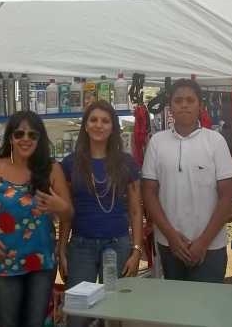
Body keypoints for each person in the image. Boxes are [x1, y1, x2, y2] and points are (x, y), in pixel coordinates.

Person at [0, 110, 73, 327]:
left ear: (40, 139)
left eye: (32, 135)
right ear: (10, 138)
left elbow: (68, 215)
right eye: (19, 134)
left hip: (42, 262)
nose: (25, 139)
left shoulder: (51, 170)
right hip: (3, 261)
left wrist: (60, 207)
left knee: (35, 323)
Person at [141, 78, 232, 283]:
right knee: (176, 301)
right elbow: (148, 193)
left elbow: (228, 196)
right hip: (170, 245)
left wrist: (203, 242)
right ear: (170, 107)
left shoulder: (215, 141)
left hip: (210, 247)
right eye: (178, 101)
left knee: (208, 302)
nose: (184, 105)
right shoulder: (157, 142)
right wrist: (171, 237)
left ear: (200, 106)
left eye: (190, 100)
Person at [58, 100, 144, 327]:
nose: (99, 125)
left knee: (115, 315)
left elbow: (136, 210)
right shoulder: (70, 164)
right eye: (93, 120)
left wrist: (136, 250)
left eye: (105, 121)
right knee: (77, 316)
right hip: (80, 247)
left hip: (117, 246)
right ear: (85, 125)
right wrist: (62, 250)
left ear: (113, 127)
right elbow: (66, 211)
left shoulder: (126, 163)